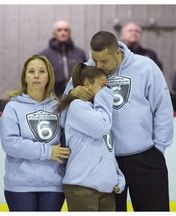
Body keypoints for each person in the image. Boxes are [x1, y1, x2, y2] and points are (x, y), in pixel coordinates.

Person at [65, 31, 174, 211]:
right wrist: (71, 94)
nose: (98, 65)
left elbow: (162, 108)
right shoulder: (86, 70)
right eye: (95, 59)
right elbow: (65, 108)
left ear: (117, 53)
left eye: (104, 61)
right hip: (107, 161)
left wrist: (159, 148)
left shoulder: (146, 67)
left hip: (146, 157)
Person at [0, 54, 70, 211]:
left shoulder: (58, 108)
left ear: (48, 77)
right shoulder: (13, 107)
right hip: (20, 186)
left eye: (42, 71)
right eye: (31, 71)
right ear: (25, 77)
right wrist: (48, 151)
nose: (36, 75)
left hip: (53, 185)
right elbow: (10, 144)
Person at [56, 63, 125, 211]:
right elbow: (101, 128)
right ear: (87, 84)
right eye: (103, 86)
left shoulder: (100, 112)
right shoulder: (77, 107)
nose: (107, 91)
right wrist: (105, 97)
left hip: (105, 188)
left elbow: (107, 149)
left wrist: (116, 176)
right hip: (82, 187)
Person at [40, 20, 87, 98]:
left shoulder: (80, 53)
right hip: (53, 99)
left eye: (66, 30)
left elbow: (87, 76)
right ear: (54, 34)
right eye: (59, 30)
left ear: (69, 33)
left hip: (77, 98)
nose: (63, 33)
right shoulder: (45, 55)